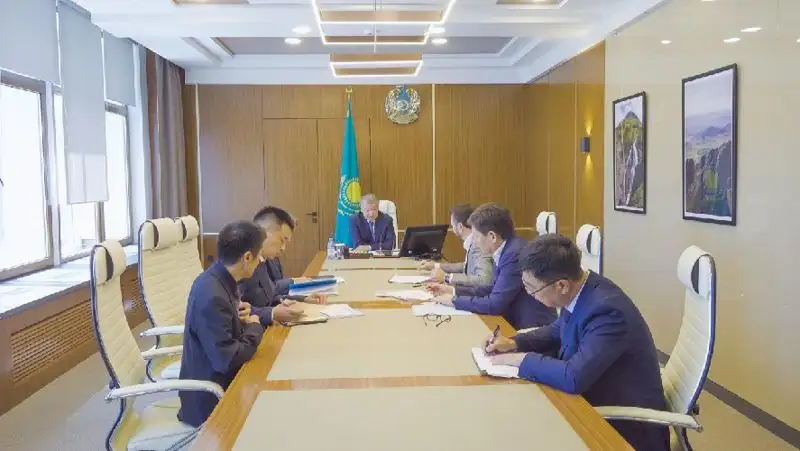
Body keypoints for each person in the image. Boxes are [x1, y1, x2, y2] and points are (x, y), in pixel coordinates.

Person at [485, 234, 668, 451]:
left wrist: (519, 359)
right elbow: (557, 330)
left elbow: (573, 377)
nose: (530, 294)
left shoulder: (608, 311)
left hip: (623, 431)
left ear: (561, 285)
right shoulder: (583, 288)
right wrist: (514, 342)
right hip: (590, 400)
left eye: (532, 289)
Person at [177, 220, 266, 427]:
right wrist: (254, 326)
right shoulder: (213, 294)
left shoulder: (217, 278)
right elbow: (227, 359)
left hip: (220, 382)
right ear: (247, 257)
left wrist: (239, 319)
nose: (260, 261)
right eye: (259, 256)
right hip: (212, 402)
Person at [426, 203, 556, 329]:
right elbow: (492, 288)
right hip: (514, 320)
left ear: (492, 236)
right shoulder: (506, 249)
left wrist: (454, 301)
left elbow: (494, 304)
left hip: (532, 328)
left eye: (476, 237)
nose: (474, 242)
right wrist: (451, 290)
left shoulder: (513, 255)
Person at [239, 206, 325, 326]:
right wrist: (273, 313)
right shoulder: (243, 263)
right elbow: (237, 310)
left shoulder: (261, 260)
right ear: (264, 233)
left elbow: (271, 295)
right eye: (282, 240)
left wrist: (302, 298)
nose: (283, 248)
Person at [418, 203, 494, 288]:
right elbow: (465, 266)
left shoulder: (478, 246)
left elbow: (484, 280)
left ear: (460, 227)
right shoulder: (472, 243)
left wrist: (447, 277)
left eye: (452, 225)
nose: (452, 228)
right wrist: (435, 265)